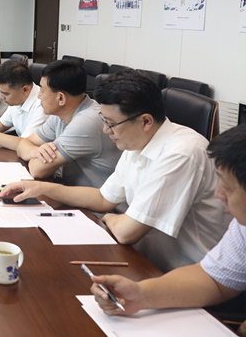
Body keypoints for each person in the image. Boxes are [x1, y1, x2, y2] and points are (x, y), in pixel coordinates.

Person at [0, 70, 226, 271]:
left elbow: (127, 232)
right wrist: (42, 188)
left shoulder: (182, 153)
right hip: (142, 257)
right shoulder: (137, 140)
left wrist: (109, 218)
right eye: (104, 120)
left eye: (111, 123)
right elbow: (102, 198)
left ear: (145, 121)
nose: (106, 130)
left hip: (184, 271)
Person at [90, 124, 246, 336]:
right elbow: (214, 280)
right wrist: (140, 294)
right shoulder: (242, 226)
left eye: (227, 188)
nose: (218, 194)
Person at [16, 59, 119, 188]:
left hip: (94, 199)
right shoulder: (60, 114)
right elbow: (23, 144)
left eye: (42, 91)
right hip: (69, 190)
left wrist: (35, 156)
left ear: (61, 98)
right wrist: (34, 151)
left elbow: (37, 170)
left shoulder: (87, 121)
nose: (38, 96)